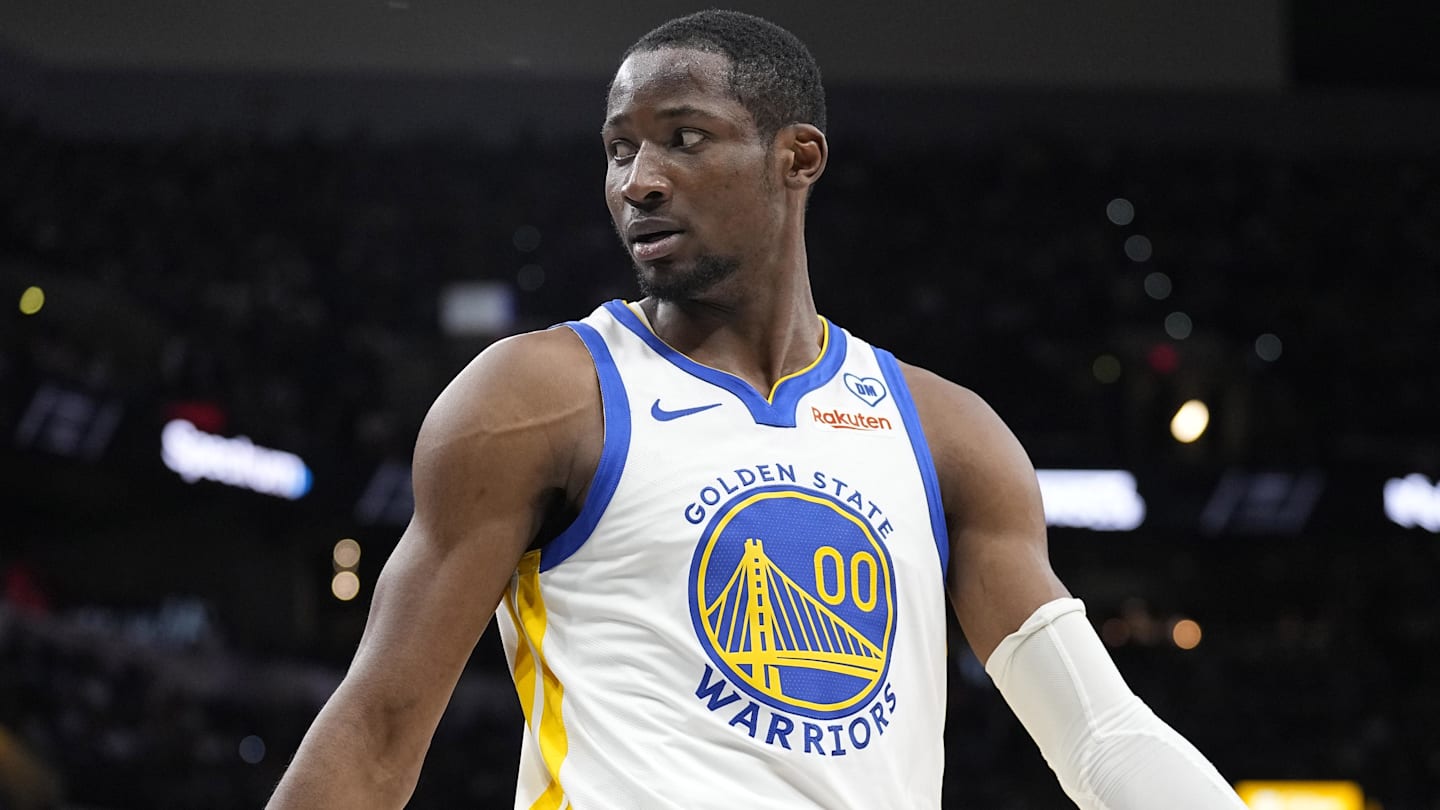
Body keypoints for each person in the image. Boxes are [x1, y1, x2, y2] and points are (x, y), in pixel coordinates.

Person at [269, 10, 1247, 809]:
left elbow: (1100, 735)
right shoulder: (537, 398)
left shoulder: (946, 435)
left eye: (683, 138)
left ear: (798, 156)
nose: (637, 180)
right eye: (618, 150)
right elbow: (377, 730)